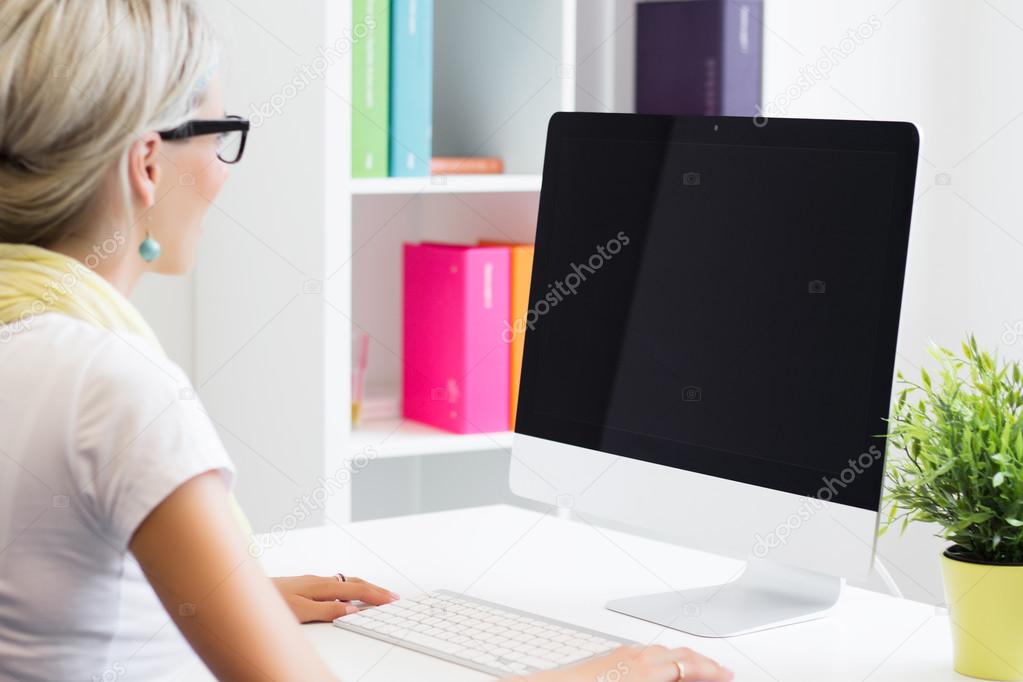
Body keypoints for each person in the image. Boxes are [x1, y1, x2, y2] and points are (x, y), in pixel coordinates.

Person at [0, 2, 733, 681]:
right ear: (148, 165)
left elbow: (49, 583)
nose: (224, 177)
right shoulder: (115, 390)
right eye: (222, 138)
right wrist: (606, 672)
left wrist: (227, 599)